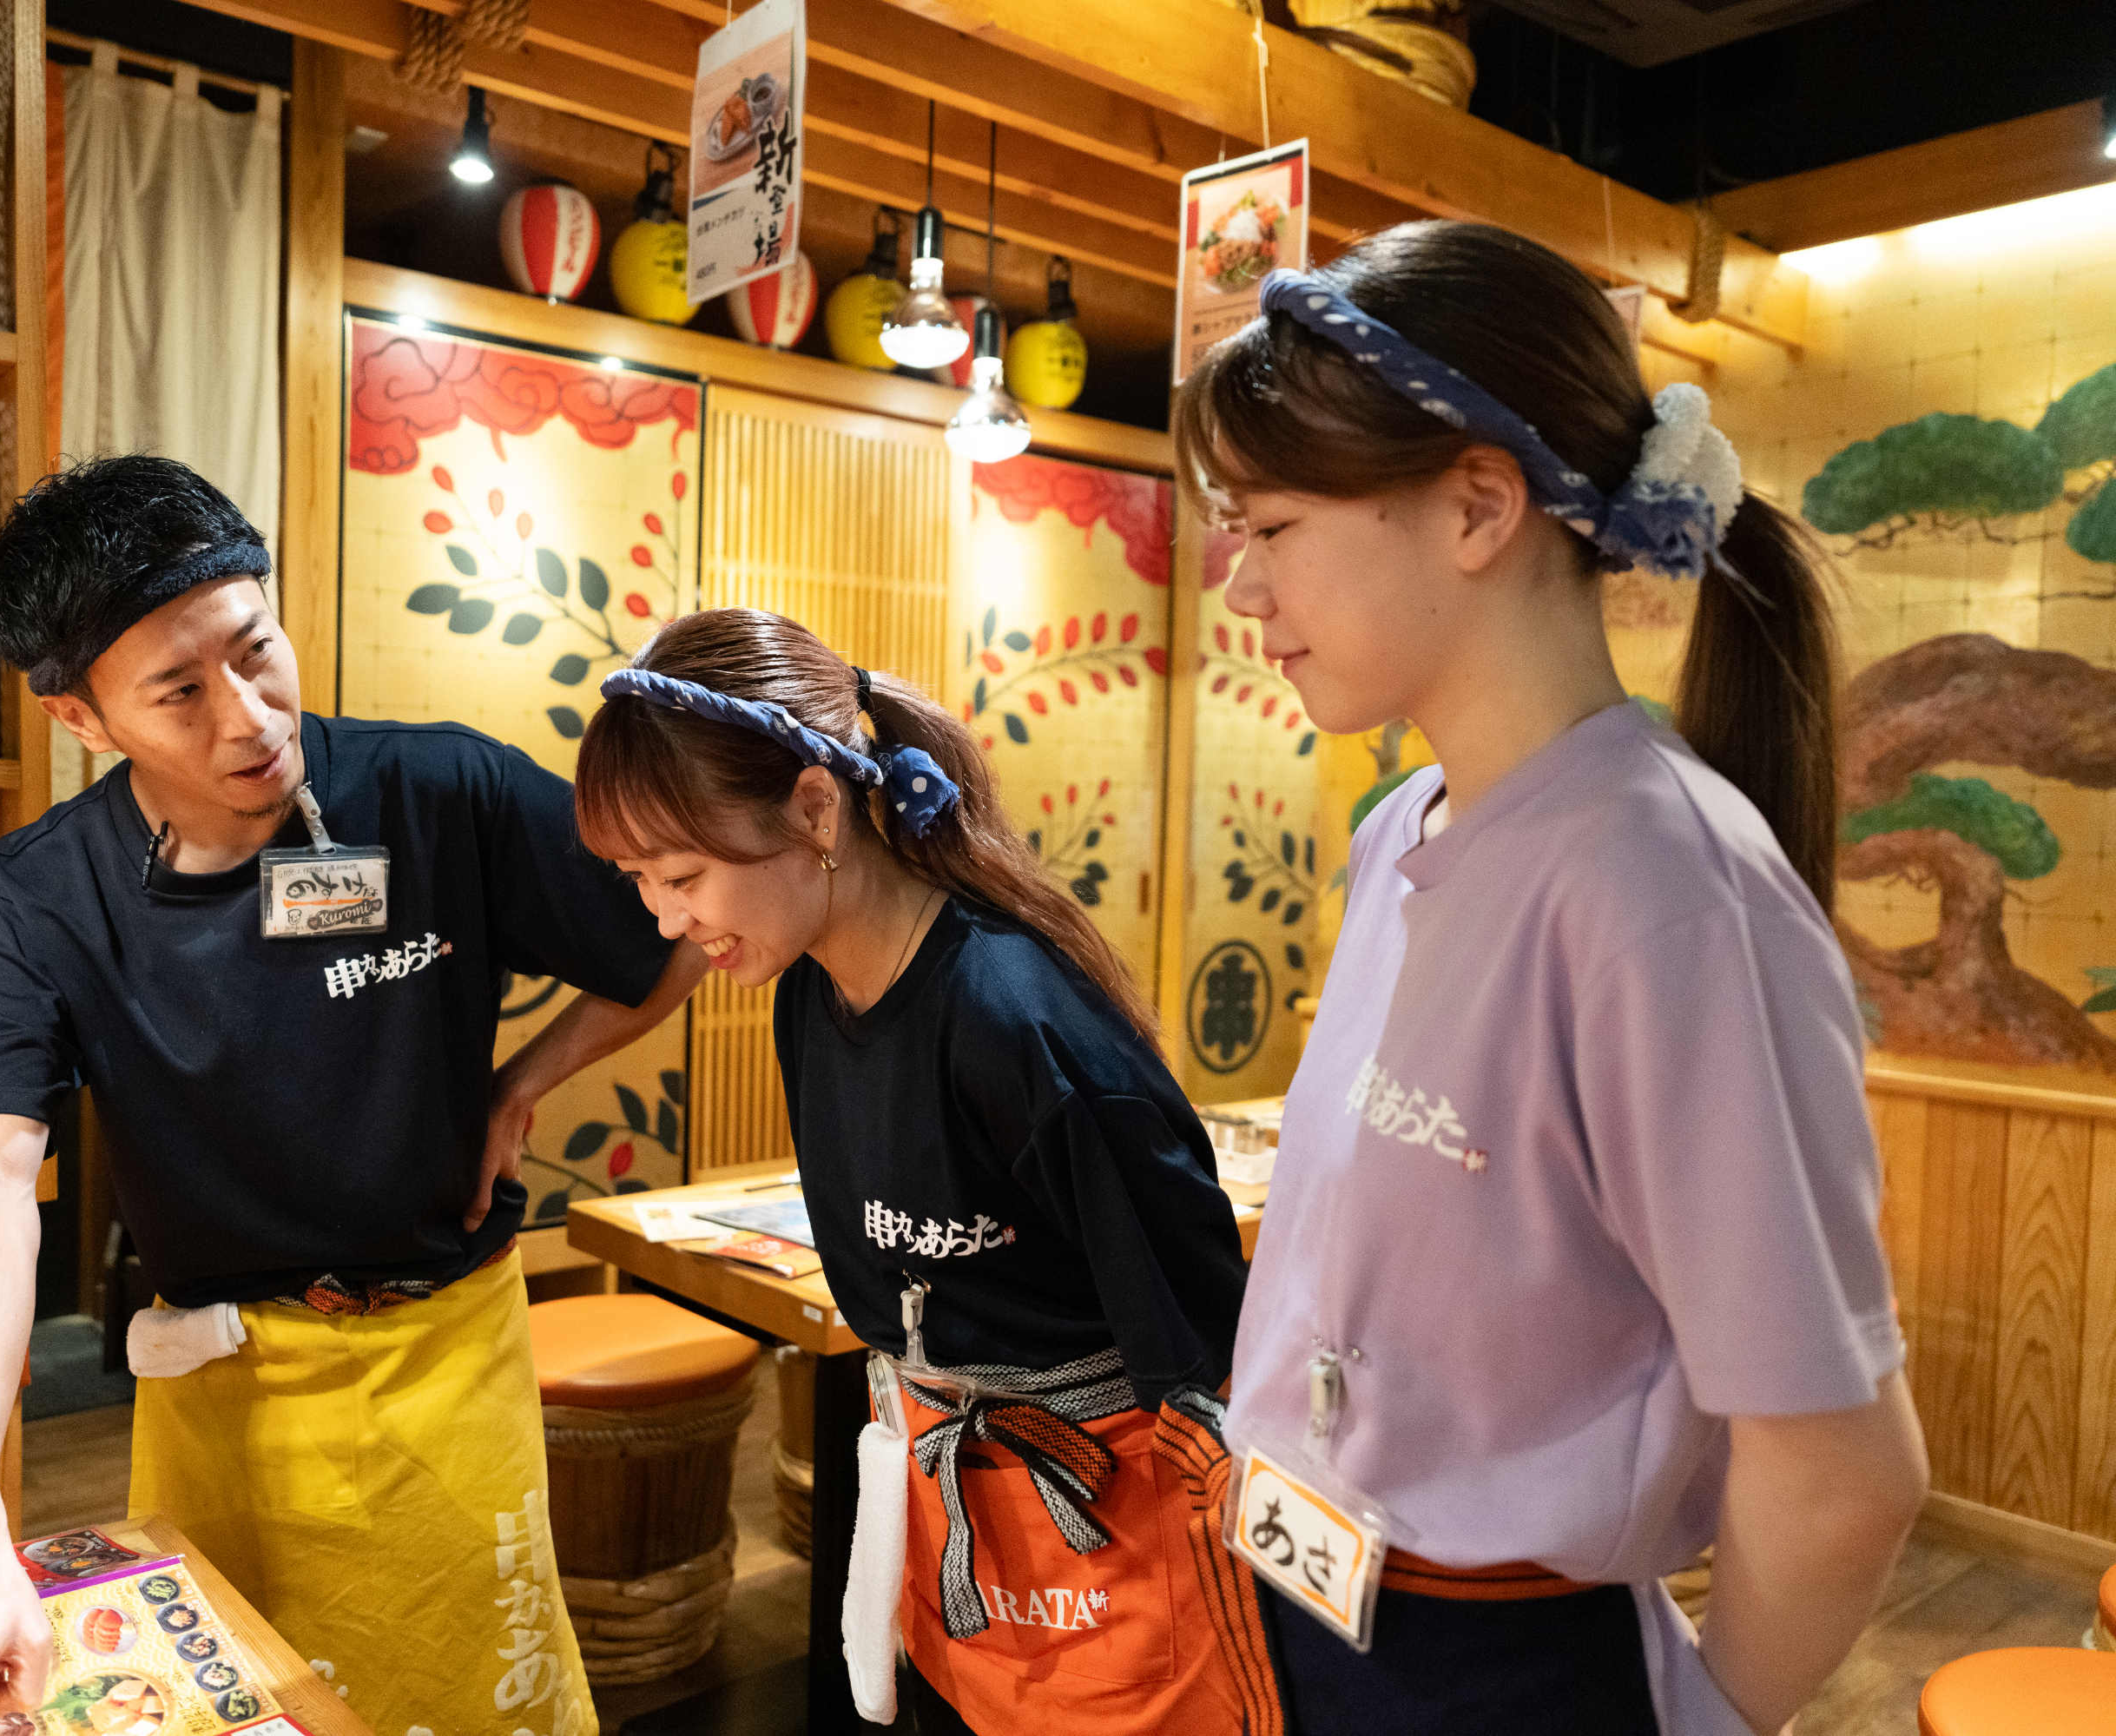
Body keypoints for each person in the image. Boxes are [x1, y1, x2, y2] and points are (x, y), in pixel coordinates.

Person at [1171, 221, 1929, 1735]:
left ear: (1475, 506)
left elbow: (1840, 1472)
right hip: (1301, 1617)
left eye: (1269, 528)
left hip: (1496, 1669)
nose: (1237, 590)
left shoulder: (1665, 889)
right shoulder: (1400, 831)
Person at [0, 457, 705, 1736]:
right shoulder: (39, 900)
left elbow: (672, 935)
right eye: (180, 693)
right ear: (82, 719)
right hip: (223, 1386)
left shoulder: (441, 794)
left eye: (258, 650)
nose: (250, 718)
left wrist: (523, 1083)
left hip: (450, 1361)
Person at [572, 608, 1253, 1733]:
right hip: (960, 1491)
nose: (667, 917)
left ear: (814, 809)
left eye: (682, 873)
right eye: (641, 879)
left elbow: (1205, 1357)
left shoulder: (1013, 1022)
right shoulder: (807, 990)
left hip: (1110, 1524)